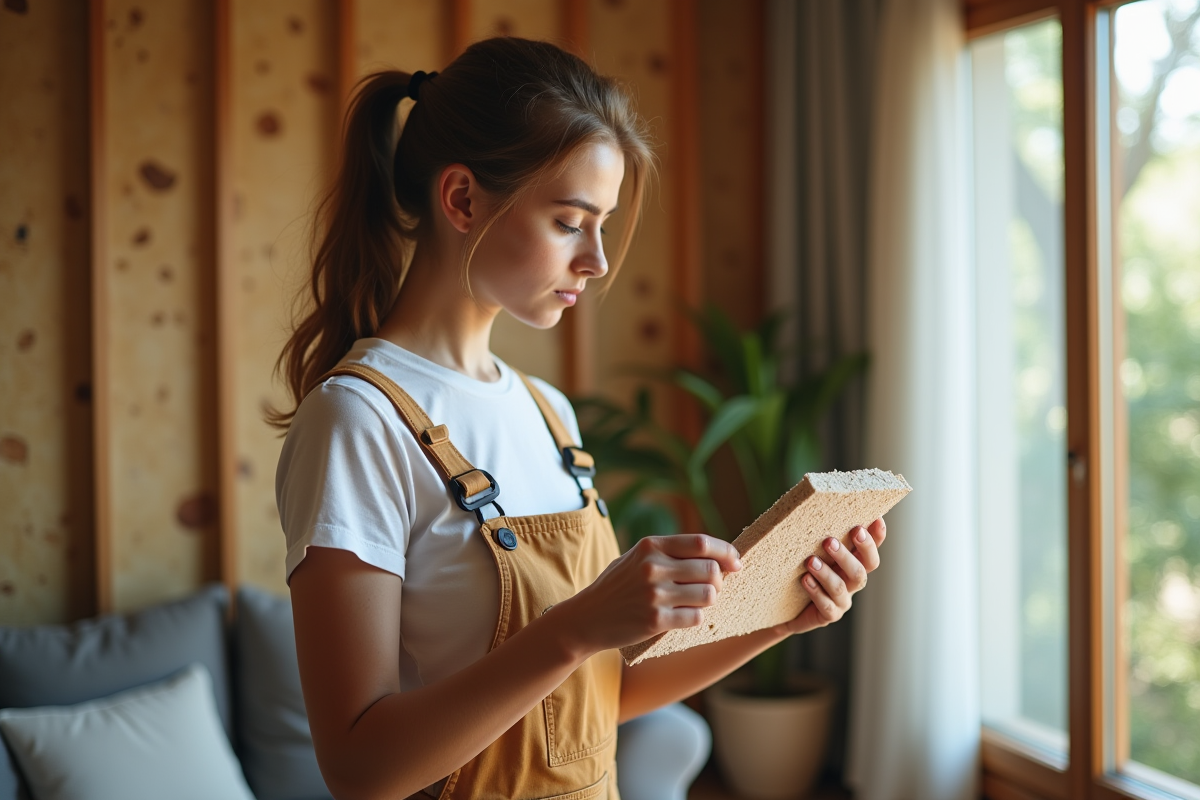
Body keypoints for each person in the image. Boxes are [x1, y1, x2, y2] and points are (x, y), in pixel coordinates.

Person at [273, 37, 887, 800]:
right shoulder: (357, 422)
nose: (596, 259)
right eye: (570, 221)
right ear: (461, 199)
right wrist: (575, 627)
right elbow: (359, 769)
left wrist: (780, 619)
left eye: (603, 225)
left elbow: (602, 695)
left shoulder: (550, 414)